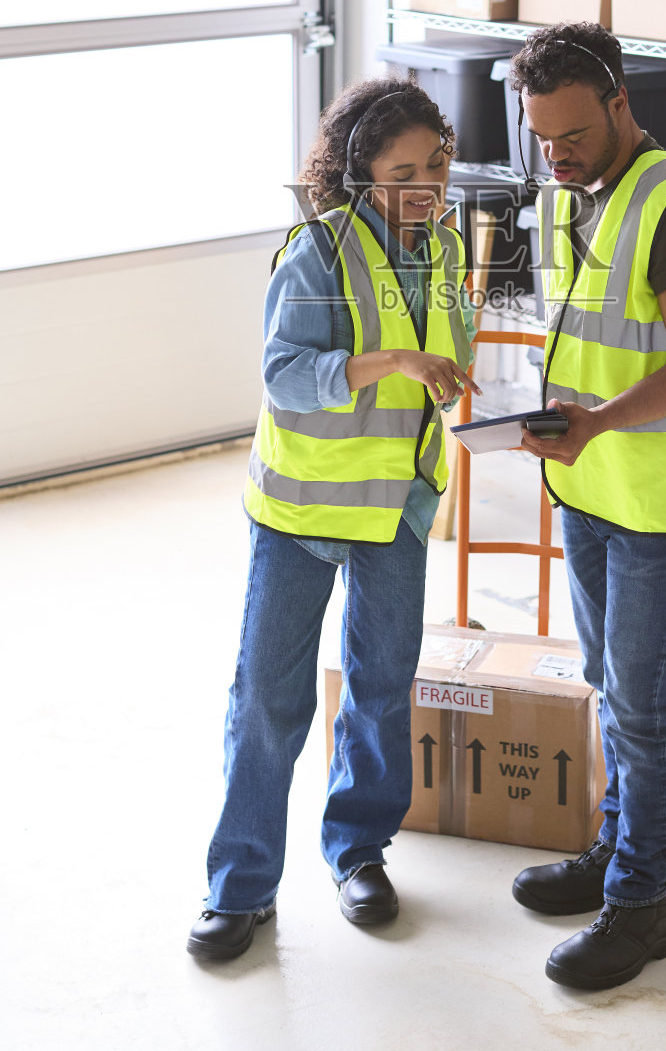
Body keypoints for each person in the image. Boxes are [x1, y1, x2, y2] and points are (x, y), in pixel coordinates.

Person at [187, 77, 478, 962]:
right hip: (303, 512)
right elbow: (283, 376)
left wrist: (447, 376)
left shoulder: (446, 246)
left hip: (398, 507)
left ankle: (359, 851)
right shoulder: (314, 252)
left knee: (383, 688)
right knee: (269, 702)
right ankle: (240, 890)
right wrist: (391, 359)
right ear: (358, 174)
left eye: (437, 165)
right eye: (403, 171)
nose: (425, 187)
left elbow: (446, 360)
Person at [507, 24, 666, 992]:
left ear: (618, 103)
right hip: (597, 480)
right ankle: (616, 850)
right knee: (610, 684)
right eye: (540, 140)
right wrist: (571, 423)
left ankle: (649, 902)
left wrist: (598, 421)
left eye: (570, 135)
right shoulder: (586, 195)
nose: (555, 157)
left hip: (660, 493)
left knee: (644, 707)